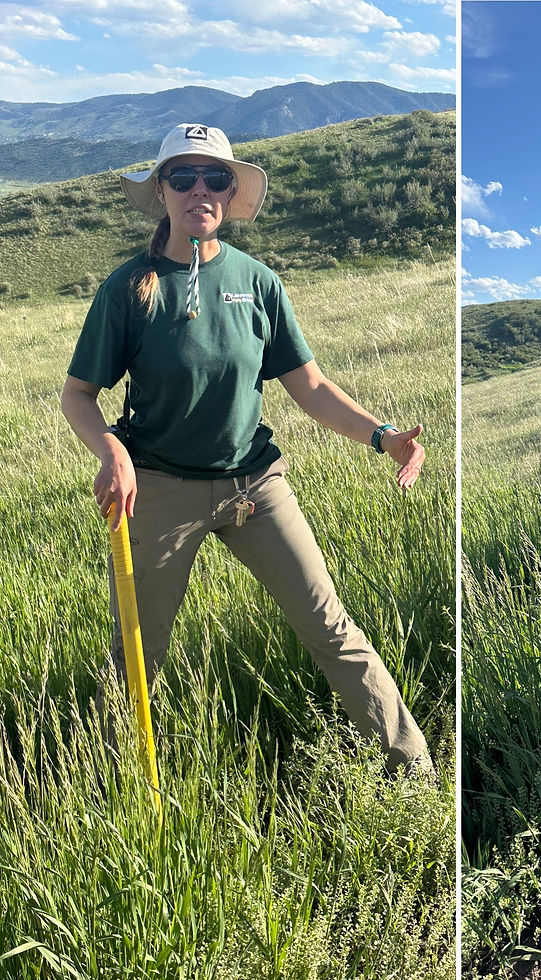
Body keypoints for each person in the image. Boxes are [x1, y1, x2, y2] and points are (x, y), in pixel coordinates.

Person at [61, 123, 430, 772]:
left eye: (215, 178)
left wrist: (382, 436)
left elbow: (309, 387)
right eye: (183, 176)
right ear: (163, 191)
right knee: (137, 653)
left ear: (231, 193)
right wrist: (112, 455)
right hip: (160, 489)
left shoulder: (258, 282)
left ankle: (413, 771)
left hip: (255, 487)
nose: (198, 189)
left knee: (331, 630)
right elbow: (78, 396)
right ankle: (110, 785)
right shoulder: (128, 288)